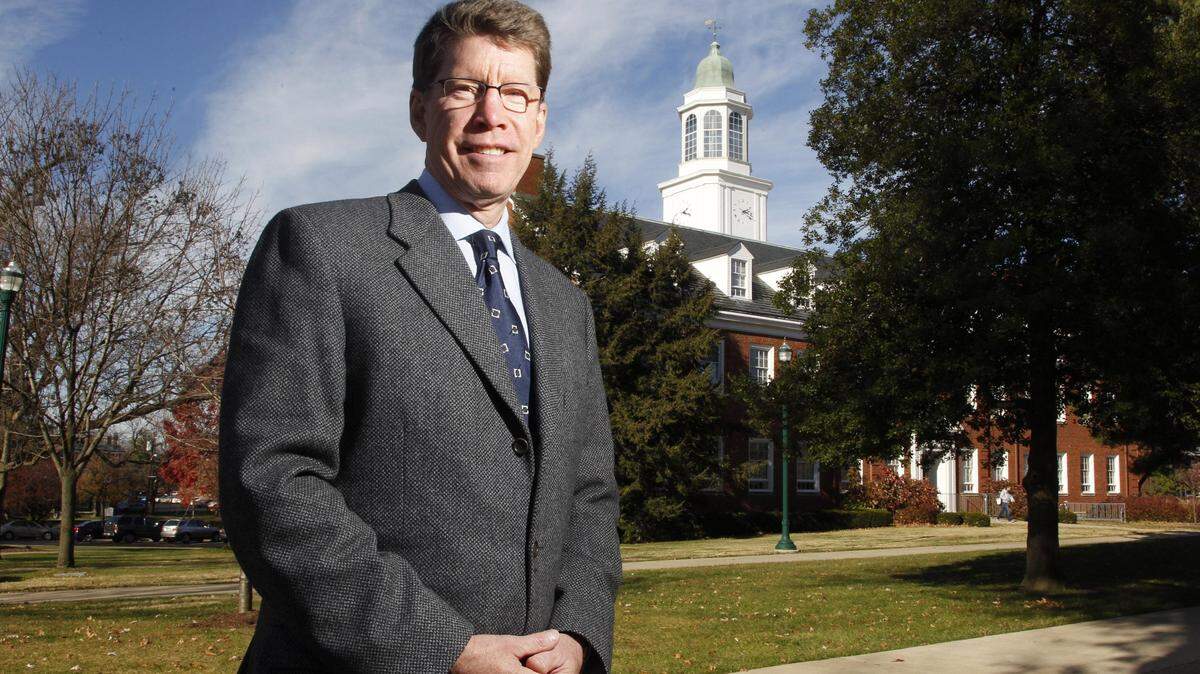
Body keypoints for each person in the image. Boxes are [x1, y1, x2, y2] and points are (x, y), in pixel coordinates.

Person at [218, 1, 621, 672]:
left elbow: (589, 494)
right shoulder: (321, 247)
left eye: (517, 95)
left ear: (540, 120)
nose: (493, 117)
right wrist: (445, 648)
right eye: (466, 89)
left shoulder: (564, 303)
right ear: (419, 108)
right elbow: (273, 481)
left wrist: (578, 636)